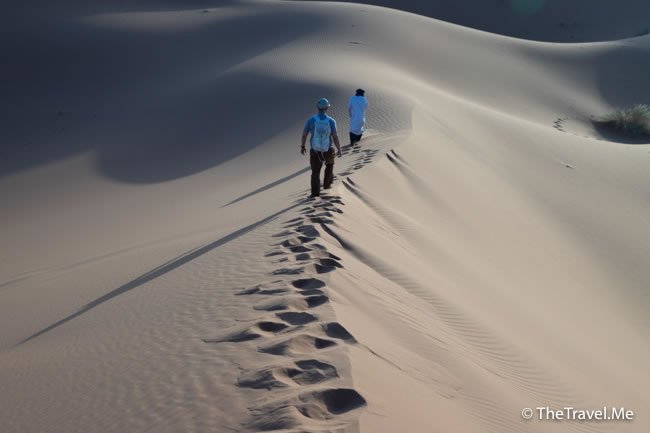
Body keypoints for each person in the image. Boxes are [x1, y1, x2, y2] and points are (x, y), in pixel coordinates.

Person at [301, 98, 342, 198]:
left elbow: (304, 134)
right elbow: (335, 136)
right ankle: (327, 185)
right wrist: (339, 149)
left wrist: (303, 146)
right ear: (327, 108)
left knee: (315, 172)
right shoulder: (331, 121)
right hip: (328, 149)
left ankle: (315, 193)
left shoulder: (311, 120)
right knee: (330, 165)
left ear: (317, 107)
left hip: (315, 150)